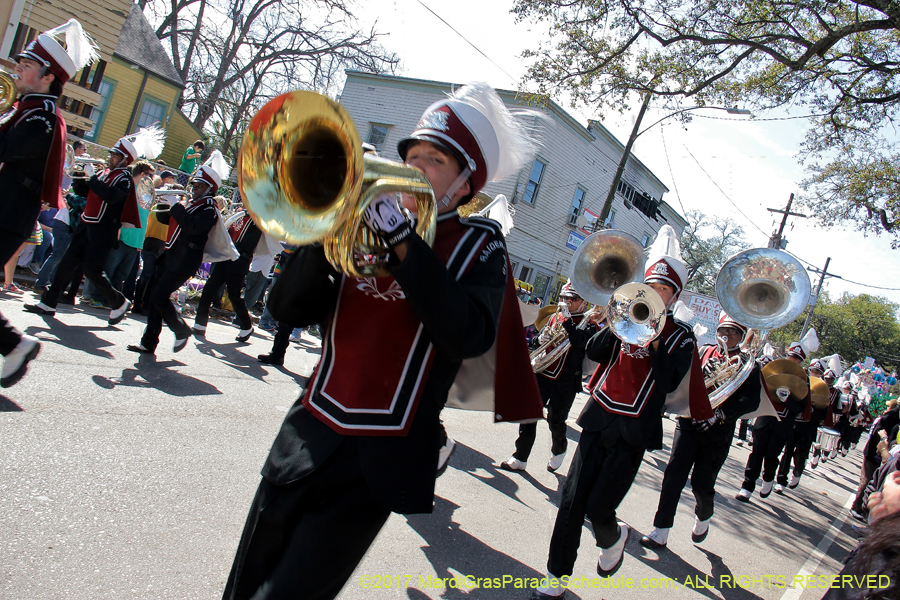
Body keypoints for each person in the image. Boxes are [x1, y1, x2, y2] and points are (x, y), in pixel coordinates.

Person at [222, 83, 543, 600]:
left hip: (378, 460)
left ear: (463, 185)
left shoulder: (478, 244)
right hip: (306, 433)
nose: (414, 168)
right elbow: (286, 310)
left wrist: (403, 240)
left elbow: (467, 333)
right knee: (243, 587)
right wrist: (324, 230)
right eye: (410, 155)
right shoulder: (355, 228)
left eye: (433, 161)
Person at [533, 225, 716, 598]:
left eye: (664, 289)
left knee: (600, 507)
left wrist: (649, 340)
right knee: (571, 502)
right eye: (652, 286)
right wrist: (617, 324)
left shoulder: (682, 336)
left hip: (634, 430)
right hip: (599, 416)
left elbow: (667, 380)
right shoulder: (623, 316)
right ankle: (556, 576)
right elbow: (596, 352)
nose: (656, 293)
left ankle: (613, 538)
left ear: (673, 295)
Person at [0, 20, 96, 387]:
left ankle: (16, 343)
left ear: (47, 77)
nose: (17, 70)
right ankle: (15, 343)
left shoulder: (42, 117)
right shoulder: (22, 109)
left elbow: (6, 150)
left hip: (8, 214)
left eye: (26, 66)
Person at [639, 312, 769, 549]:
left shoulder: (750, 365)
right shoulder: (705, 351)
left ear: (741, 336)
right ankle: (661, 529)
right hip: (689, 422)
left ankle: (704, 513)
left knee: (702, 483)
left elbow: (750, 400)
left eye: (732, 332)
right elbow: (681, 376)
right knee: (673, 476)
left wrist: (720, 414)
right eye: (723, 330)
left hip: (718, 431)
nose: (726, 335)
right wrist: (700, 370)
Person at [25, 130, 146, 324]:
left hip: (103, 231)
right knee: (67, 263)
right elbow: (84, 191)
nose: (111, 158)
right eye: (111, 155)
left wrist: (93, 179)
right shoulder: (106, 173)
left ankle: (119, 301)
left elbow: (111, 196)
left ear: (125, 160)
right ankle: (48, 303)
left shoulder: (124, 179)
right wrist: (80, 174)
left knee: (92, 271)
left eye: (115, 156)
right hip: (86, 224)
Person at [127, 160, 225, 354]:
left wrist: (176, 206)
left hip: (186, 258)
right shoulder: (190, 205)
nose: (195, 189)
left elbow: (193, 228)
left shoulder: (209, 209)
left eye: (199, 186)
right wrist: (165, 204)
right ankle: (148, 342)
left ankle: (180, 330)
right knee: (155, 298)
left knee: (159, 295)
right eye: (194, 185)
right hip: (171, 254)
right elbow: (168, 220)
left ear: (209, 189)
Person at [501, 279, 599, 473]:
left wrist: (568, 320)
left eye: (572, 299)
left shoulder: (589, 325)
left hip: (566, 381)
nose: (566, 301)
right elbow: (540, 339)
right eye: (564, 297)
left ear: (583, 302)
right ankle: (520, 457)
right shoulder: (555, 317)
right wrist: (540, 338)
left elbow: (579, 341)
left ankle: (559, 449)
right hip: (543, 372)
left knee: (556, 420)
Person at [735, 330, 816, 502]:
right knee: (756, 453)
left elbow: (801, 407)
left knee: (772, 455)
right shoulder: (772, 369)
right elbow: (759, 390)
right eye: (791, 357)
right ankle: (747, 486)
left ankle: (768, 478)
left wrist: (787, 401)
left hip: (783, 423)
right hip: (764, 418)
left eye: (797, 359)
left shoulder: (804, 379)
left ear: (801, 362)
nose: (793, 360)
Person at [80, 160, 153, 307]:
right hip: (122, 237)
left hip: (135, 241)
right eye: (149, 175)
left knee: (121, 275)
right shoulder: (128, 188)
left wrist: (141, 242)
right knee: (109, 270)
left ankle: (110, 300)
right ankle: (97, 298)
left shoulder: (146, 195)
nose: (152, 179)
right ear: (141, 174)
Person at [192, 207, 262, 342]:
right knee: (209, 288)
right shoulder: (239, 212)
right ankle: (200, 324)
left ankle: (246, 326)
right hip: (225, 257)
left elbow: (250, 243)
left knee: (234, 294)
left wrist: (232, 249)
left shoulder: (258, 219)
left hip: (239, 261)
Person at [775, 357, 828, 492]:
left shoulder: (823, 389)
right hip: (795, 422)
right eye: (812, 370)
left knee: (800, 454)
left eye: (817, 371)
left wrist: (813, 411)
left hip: (808, 426)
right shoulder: (800, 381)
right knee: (787, 451)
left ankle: (797, 471)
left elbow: (823, 413)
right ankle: (781, 480)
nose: (814, 373)